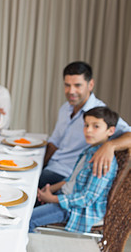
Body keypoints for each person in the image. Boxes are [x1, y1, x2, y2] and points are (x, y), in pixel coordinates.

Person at [39, 61, 131, 189]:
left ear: (90, 84)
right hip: (52, 167)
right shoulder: (65, 108)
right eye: (67, 85)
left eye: (77, 85)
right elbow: (54, 144)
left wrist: (111, 145)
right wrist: (38, 165)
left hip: (68, 175)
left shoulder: (100, 113)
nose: (71, 91)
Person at [29, 107, 119, 233]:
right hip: (67, 198)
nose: (88, 130)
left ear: (111, 131)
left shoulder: (102, 161)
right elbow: (73, 179)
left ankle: (33, 250)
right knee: (29, 203)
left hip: (76, 210)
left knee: (29, 219)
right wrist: (50, 189)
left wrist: (52, 199)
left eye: (96, 126)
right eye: (86, 125)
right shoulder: (89, 151)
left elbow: (86, 198)